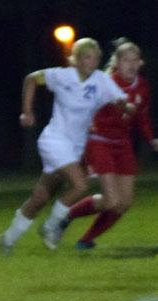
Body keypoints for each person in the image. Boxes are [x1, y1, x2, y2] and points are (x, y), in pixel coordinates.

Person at [0, 38, 131, 256]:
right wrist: (27, 111)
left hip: (74, 148)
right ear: (76, 60)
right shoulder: (62, 75)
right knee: (80, 185)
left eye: (96, 57)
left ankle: (8, 238)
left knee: (40, 198)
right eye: (87, 56)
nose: (92, 61)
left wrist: (128, 106)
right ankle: (51, 227)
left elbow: (120, 98)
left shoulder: (100, 80)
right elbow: (31, 79)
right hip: (53, 141)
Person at [59, 39, 158, 250]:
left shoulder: (142, 86)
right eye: (125, 60)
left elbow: (142, 117)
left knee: (124, 203)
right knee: (112, 201)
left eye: (134, 60)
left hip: (122, 144)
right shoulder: (105, 83)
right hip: (100, 142)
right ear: (117, 63)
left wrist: (152, 139)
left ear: (140, 63)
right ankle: (66, 216)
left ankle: (85, 240)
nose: (130, 64)